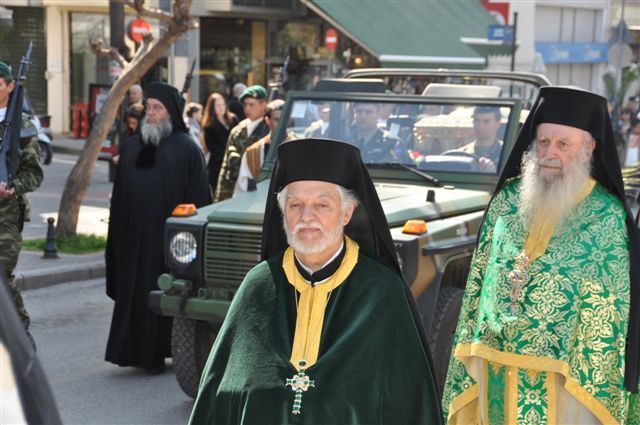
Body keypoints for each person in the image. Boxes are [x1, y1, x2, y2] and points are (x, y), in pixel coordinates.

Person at [190, 138, 442, 424]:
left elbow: (408, 400)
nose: (306, 217)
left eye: (322, 205)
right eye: (295, 204)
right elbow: (222, 391)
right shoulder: (258, 284)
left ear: (347, 213)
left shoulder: (382, 290)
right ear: (282, 213)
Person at [443, 86, 640, 424]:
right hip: (494, 363)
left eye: (564, 144)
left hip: (566, 380)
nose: (550, 153)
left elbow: (611, 310)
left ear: (589, 148)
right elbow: (479, 283)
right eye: (543, 142)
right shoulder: (506, 201)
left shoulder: (606, 216)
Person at [105, 82, 211, 372]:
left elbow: (200, 202)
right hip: (131, 237)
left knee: (161, 294)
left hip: (166, 244)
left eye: (157, 108)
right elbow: (121, 197)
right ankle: (131, 351)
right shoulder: (132, 146)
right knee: (133, 293)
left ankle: (161, 351)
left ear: (170, 113)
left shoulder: (187, 148)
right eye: (148, 107)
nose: (150, 113)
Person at [0, 60, 43, 331]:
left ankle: (20, 332)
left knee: (2, 277)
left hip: (6, 215)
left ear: (10, 86)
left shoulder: (22, 126)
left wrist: (13, 187)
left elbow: (34, 174)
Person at [214, 84, 269, 202]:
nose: (247, 109)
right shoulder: (238, 130)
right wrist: (219, 199)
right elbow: (225, 168)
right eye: (245, 105)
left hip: (256, 196)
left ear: (263, 105)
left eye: (251, 105)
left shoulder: (269, 130)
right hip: (232, 194)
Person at [234, 98, 284, 194]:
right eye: (277, 120)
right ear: (267, 120)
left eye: (284, 119)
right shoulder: (253, 153)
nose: (282, 124)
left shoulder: (298, 147)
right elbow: (242, 189)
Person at [200, 92, 239, 192]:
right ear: (212, 108)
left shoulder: (233, 119)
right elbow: (212, 147)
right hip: (217, 165)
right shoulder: (209, 126)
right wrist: (227, 156)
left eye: (223, 104)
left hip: (235, 163)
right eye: (218, 105)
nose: (221, 107)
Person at [453, 106, 503, 172]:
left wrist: (495, 175)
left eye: (486, 121)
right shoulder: (461, 155)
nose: (480, 126)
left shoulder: (507, 153)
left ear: (498, 123)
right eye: (476, 120)